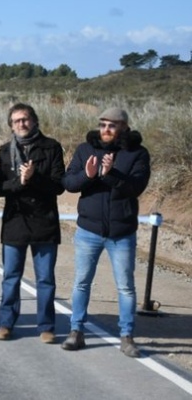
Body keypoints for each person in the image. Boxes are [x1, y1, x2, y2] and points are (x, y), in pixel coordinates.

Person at [61, 107, 151, 358]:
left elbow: (135, 188)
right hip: (88, 229)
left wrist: (110, 174)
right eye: (102, 125)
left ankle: (126, 337)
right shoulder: (85, 149)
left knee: (125, 287)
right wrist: (88, 176)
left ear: (124, 126)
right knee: (81, 282)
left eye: (112, 125)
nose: (106, 130)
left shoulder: (138, 153)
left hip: (121, 233)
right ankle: (76, 332)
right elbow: (68, 183)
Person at [0, 103, 65, 344]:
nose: (21, 124)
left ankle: (46, 326)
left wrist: (34, 179)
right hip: (15, 221)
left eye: (25, 119)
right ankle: (6, 324)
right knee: (11, 277)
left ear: (34, 121)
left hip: (44, 222)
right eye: (16, 121)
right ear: (11, 125)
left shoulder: (52, 147)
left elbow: (58, 186)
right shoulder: (5, 151)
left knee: (45, 279)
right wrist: (21, 182)